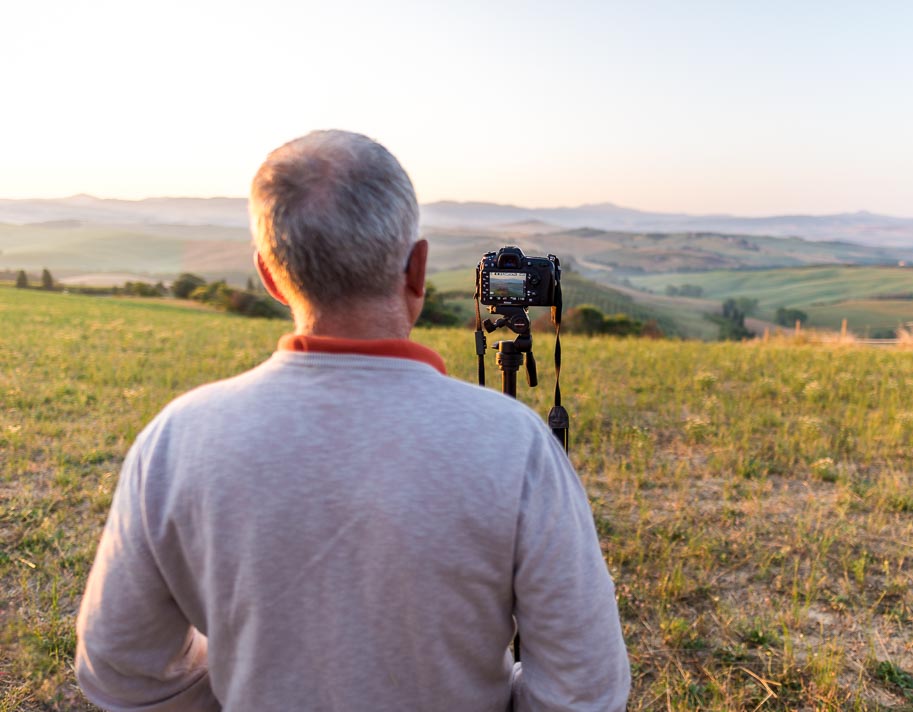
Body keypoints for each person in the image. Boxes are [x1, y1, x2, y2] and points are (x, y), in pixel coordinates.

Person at [75, 130, 630, 711]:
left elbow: (120, 669)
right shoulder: (514, 444)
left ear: (269, 276)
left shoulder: (176, 439)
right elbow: (585, 691)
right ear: (417, 268)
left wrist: (249, 679)